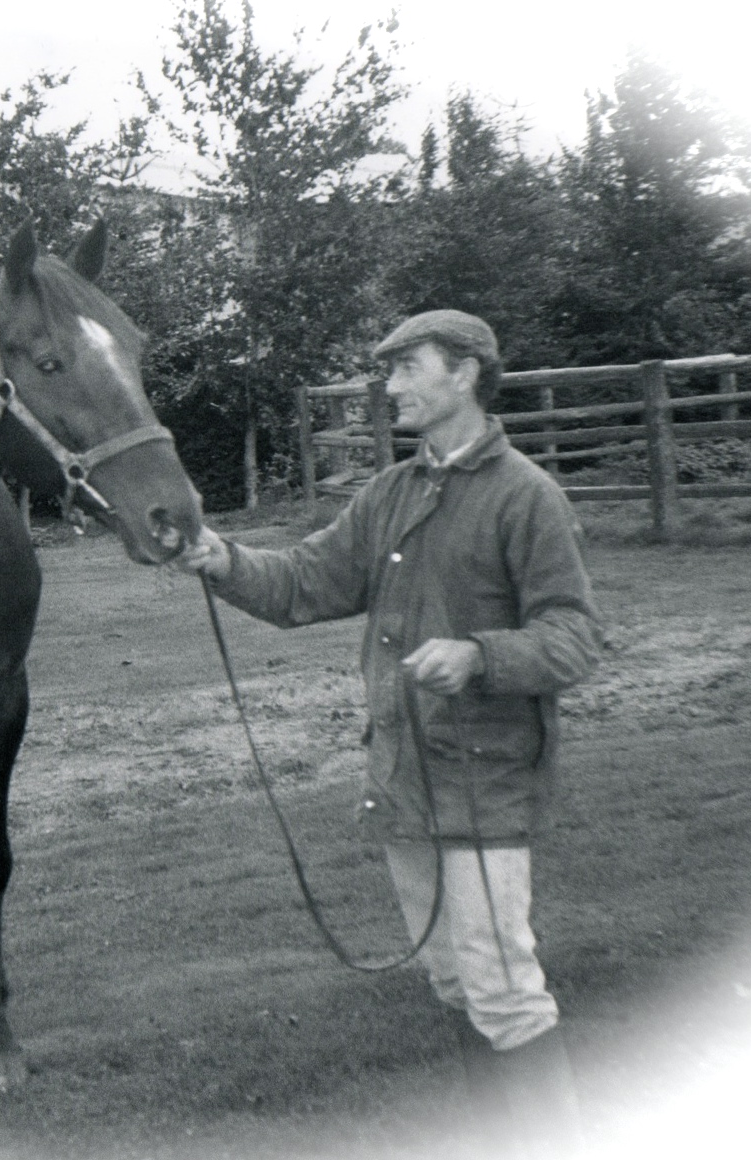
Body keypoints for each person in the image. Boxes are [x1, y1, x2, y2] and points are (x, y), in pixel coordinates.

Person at [177, 310, 603, 1153]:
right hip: (404, 777)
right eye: (391, 370)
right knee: (452, 978)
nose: (393, 386)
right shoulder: (393, 493)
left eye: (409, 368)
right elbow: (306, 581)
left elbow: (575, 637)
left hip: (486, 783)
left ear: (468, 373)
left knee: (503, 986)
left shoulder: (527, 496)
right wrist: (222, 557)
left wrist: (481, 654)